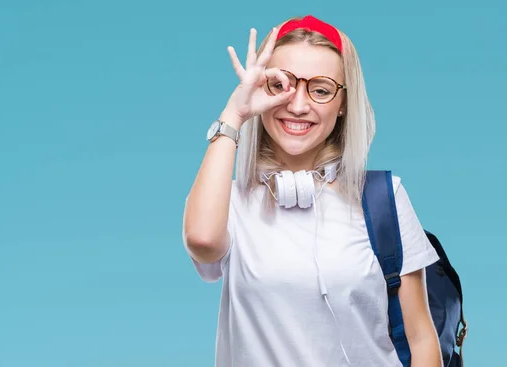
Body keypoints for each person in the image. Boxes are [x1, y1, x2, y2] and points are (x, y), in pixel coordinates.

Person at [182, 14, 442, 367]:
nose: (298, 105)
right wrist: (234, 114)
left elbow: (422, 338)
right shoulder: (230, 201)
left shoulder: (384, 198)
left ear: (344, 103)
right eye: (280, 85)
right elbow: (202, 241)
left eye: (320, 90)